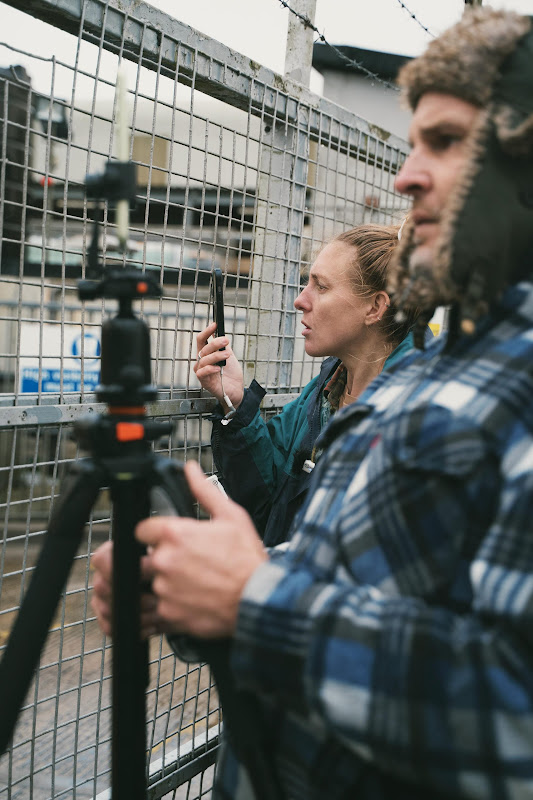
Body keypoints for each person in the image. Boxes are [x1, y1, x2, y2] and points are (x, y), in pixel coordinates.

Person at [92, 8, 533, 799]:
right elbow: (345, 566)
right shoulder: (451, 372)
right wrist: (198, 582)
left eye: (443, 142)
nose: (406, 176)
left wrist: (253, 600)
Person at [194, 224, 422, 546]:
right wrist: (235, 402)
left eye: (322, 287)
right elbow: (266, 498)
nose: (300, 300)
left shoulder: (419, 408)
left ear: (375, 307)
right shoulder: (324, 391)